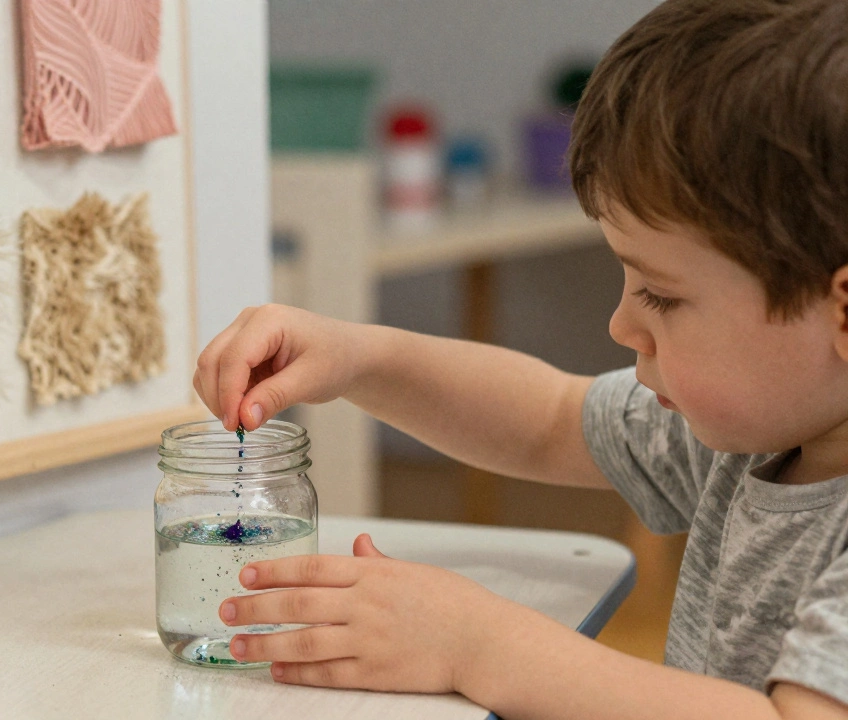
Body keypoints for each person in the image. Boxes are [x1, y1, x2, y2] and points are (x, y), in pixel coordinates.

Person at [192, 1, 848, 717]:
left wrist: (475, 642)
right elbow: (550, 418)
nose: (622, 323)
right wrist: (358, 357)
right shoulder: (762, 436)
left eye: (662, 297)